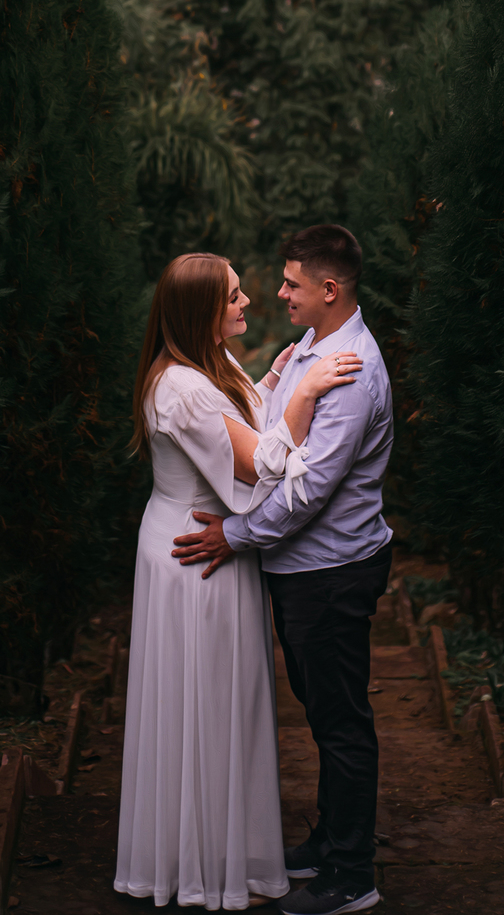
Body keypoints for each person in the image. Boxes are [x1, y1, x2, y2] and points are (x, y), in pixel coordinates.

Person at [115, 251, 363, 911]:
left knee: (216, 702)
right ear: (201, 312)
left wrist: (278, 375)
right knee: (203, 701)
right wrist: (306, 394)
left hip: (206, 546)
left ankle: (212, 847)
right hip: (195, 559)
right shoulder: (183, 387)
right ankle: (197, 862)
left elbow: (242, 410)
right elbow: (260, 466)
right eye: (231, 297)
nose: (248, 301)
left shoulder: (207, 369)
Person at [173, 226, 393, 915]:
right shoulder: (307, 350)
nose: (279, 292)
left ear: (329, 290)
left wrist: (235, 535)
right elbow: (272, 430)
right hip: (304, 571)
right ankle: (330, 841)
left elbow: (306, 492)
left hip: (331, 571)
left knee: (341, 720)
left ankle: (352, 875)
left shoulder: (351, 369)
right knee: (323, 711)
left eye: (292, 283)